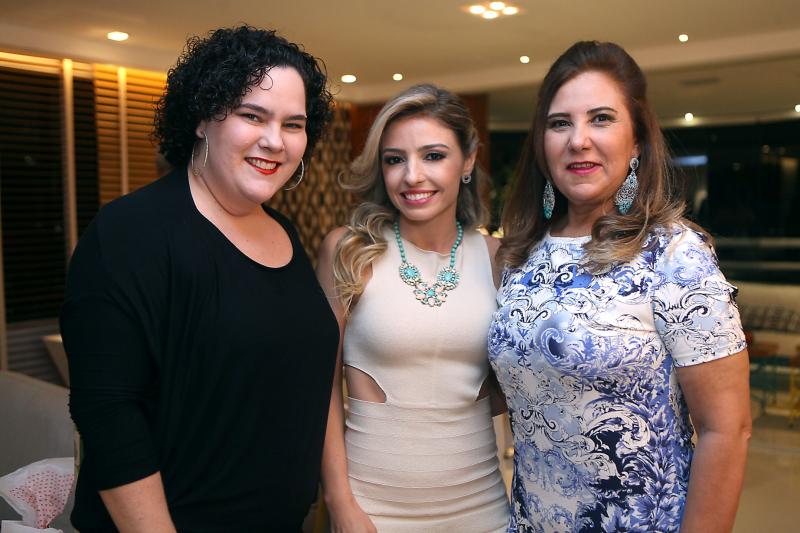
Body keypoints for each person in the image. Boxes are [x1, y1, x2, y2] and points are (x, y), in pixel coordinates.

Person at [60, 26, 338, 532]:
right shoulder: (131, 232)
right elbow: (108, 414)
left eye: (293, 124)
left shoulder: (285, 232)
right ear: (202, 118)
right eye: (252, 115)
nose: (275, 140)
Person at [489, 41, 751, 533]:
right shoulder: (520, 255)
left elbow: (727, 430)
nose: (578, 140)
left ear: (636, 143)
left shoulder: (674, 255)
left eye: (601, 119)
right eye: (559, 123)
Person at [316, 84, 510, 532]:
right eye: (395, 159)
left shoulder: (498, 257)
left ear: (468, 161)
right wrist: (339, 501)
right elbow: (319, 388)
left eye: (433, 156)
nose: (412, 176)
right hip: (372, 510)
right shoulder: (348, 251)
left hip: (482, 507)